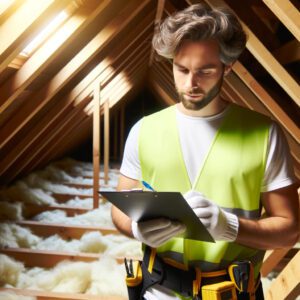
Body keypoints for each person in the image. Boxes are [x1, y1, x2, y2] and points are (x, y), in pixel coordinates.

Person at [111, 3, 299, 300]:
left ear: (227, 66)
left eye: (205, 71)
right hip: (156, 290)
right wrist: (136, 229)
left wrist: (231, 227)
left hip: (232, 294)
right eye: (181, 69)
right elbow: (120, 208)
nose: (190, 84)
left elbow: (289, 229)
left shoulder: (264, 134)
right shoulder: (143, 130)